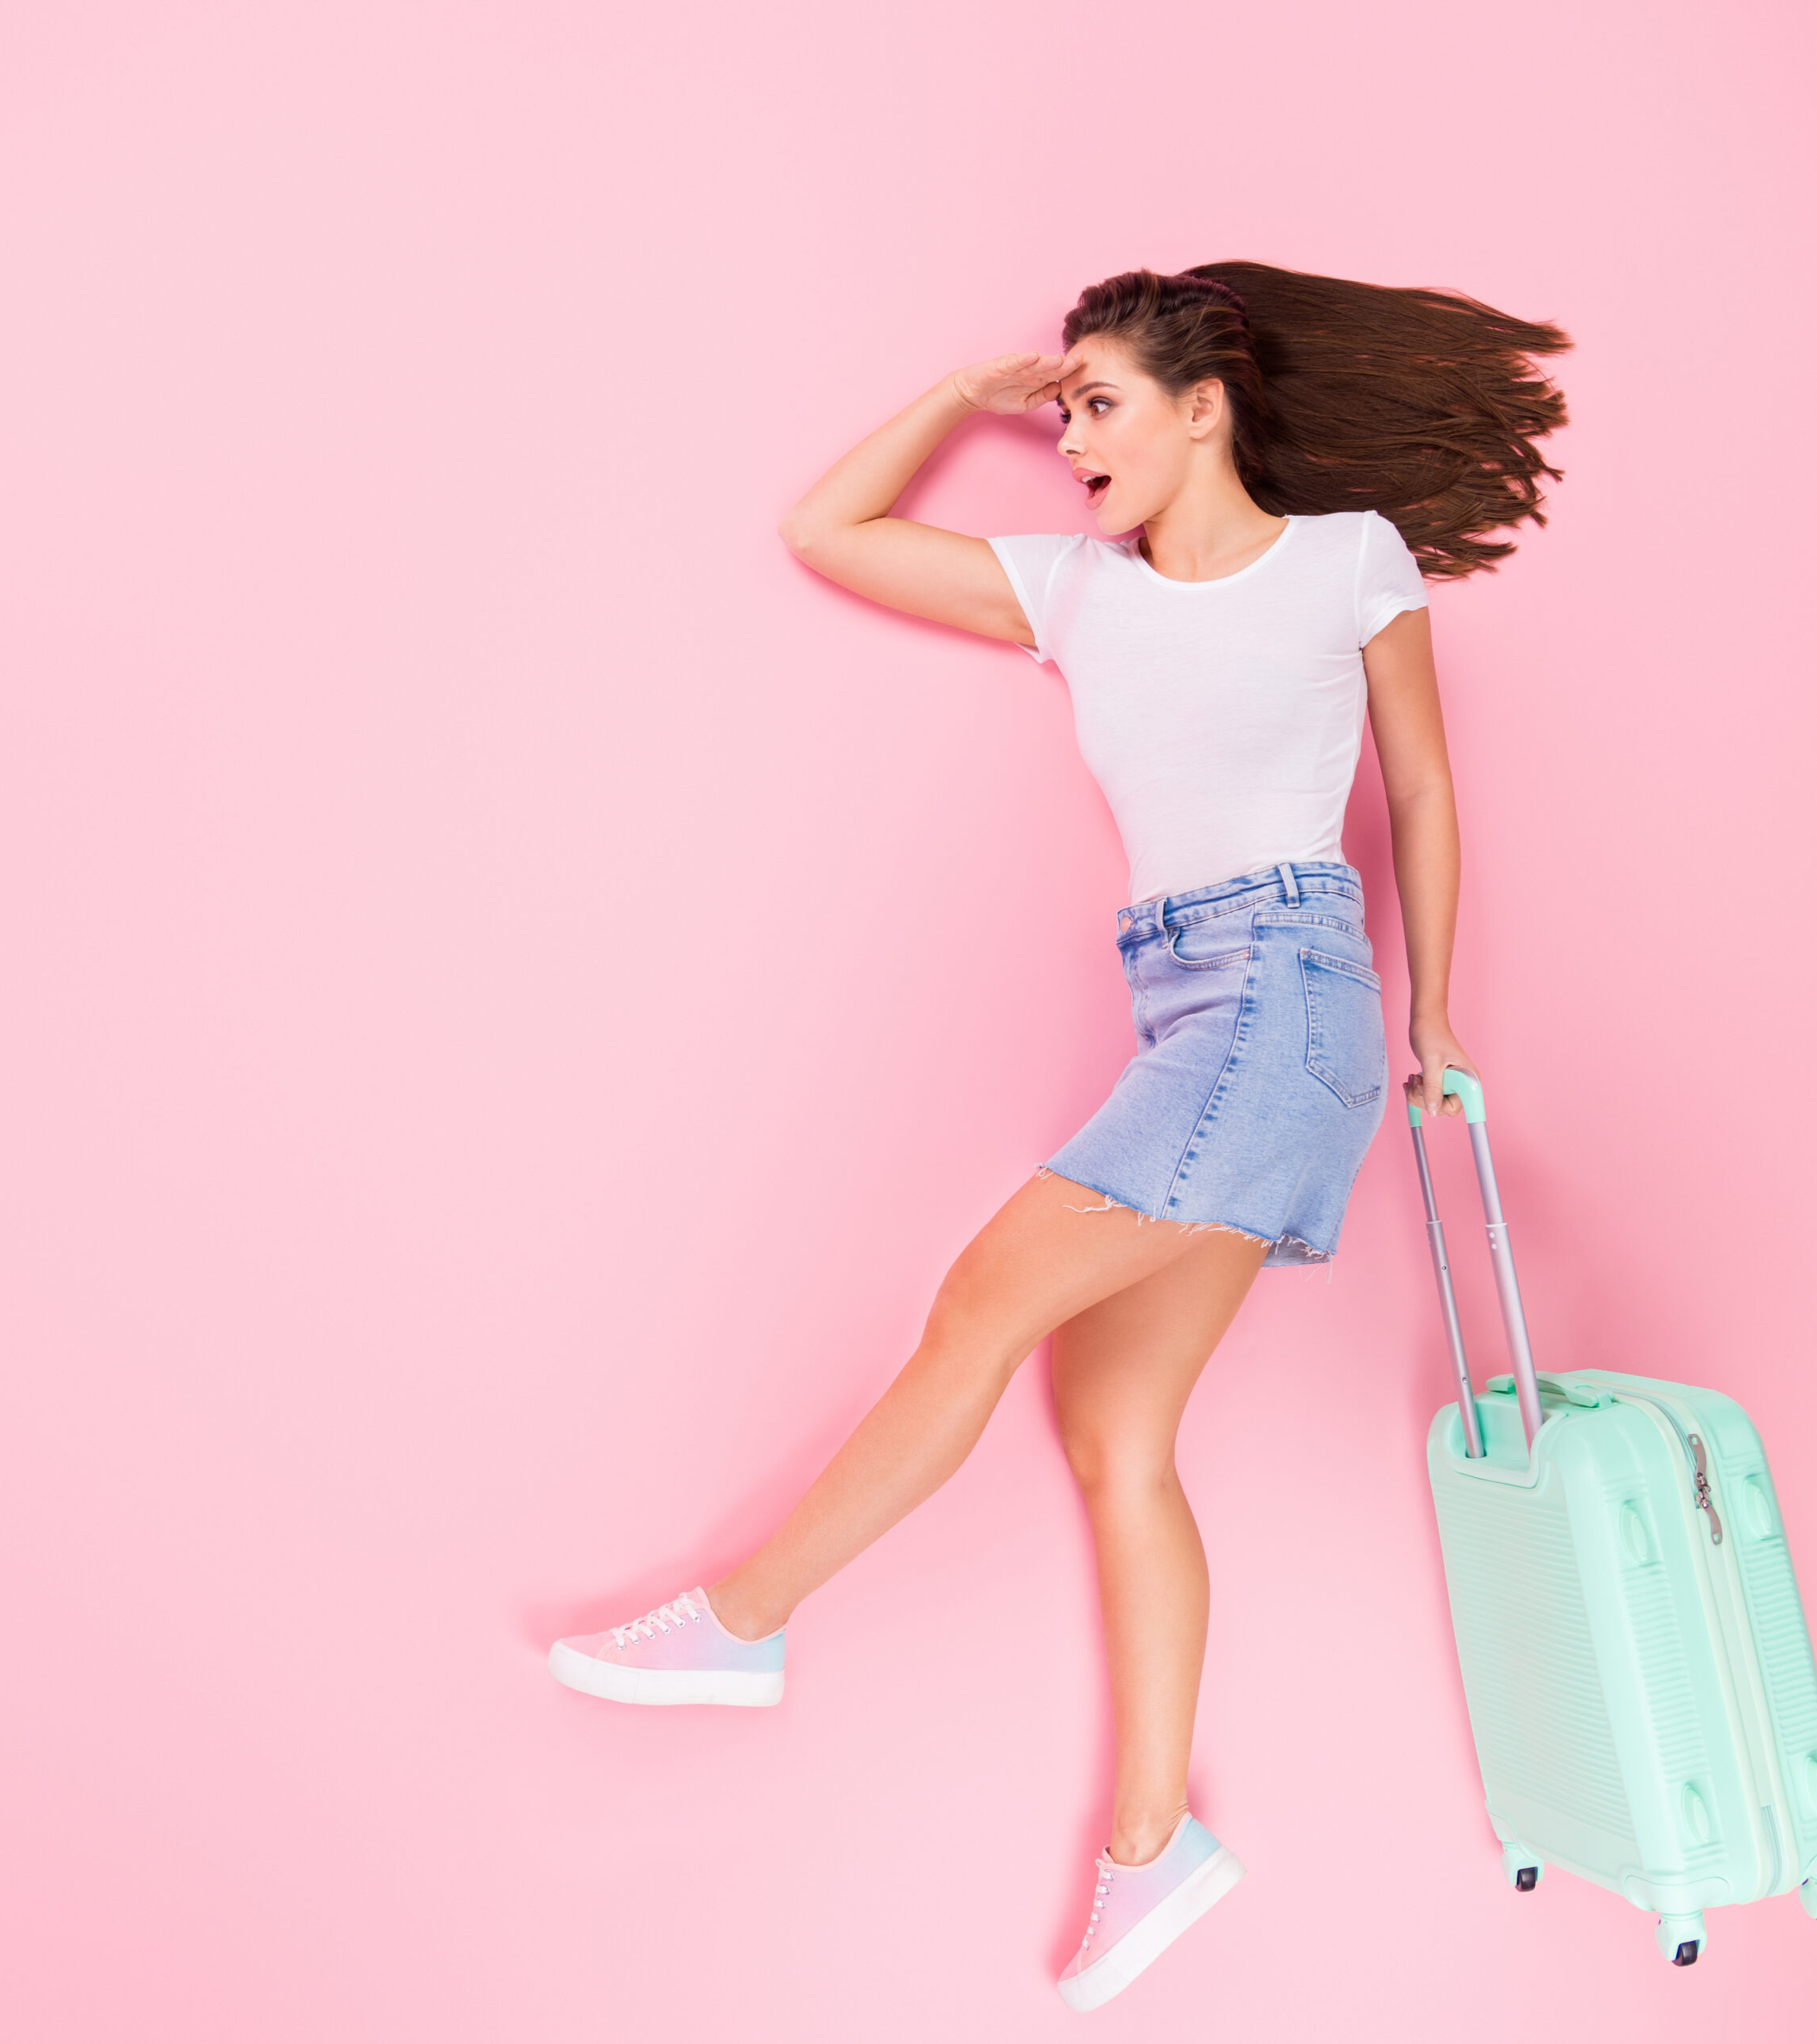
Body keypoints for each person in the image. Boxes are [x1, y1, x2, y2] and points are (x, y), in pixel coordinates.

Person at [545, 264, 1571, 2010]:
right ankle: (1153, 1843)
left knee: (977, 1304)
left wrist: (1435, 1013)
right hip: (1181, 1004)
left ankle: (744, 1619)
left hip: (1288, 990)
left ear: (1204, 405)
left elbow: (1419, 788)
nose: (1071, 433)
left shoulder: (1347, 564)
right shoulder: (1074, 593)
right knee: (1114, 1433)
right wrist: (958, 396)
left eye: (1097, 400)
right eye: (1066, 404)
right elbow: (825, 527)